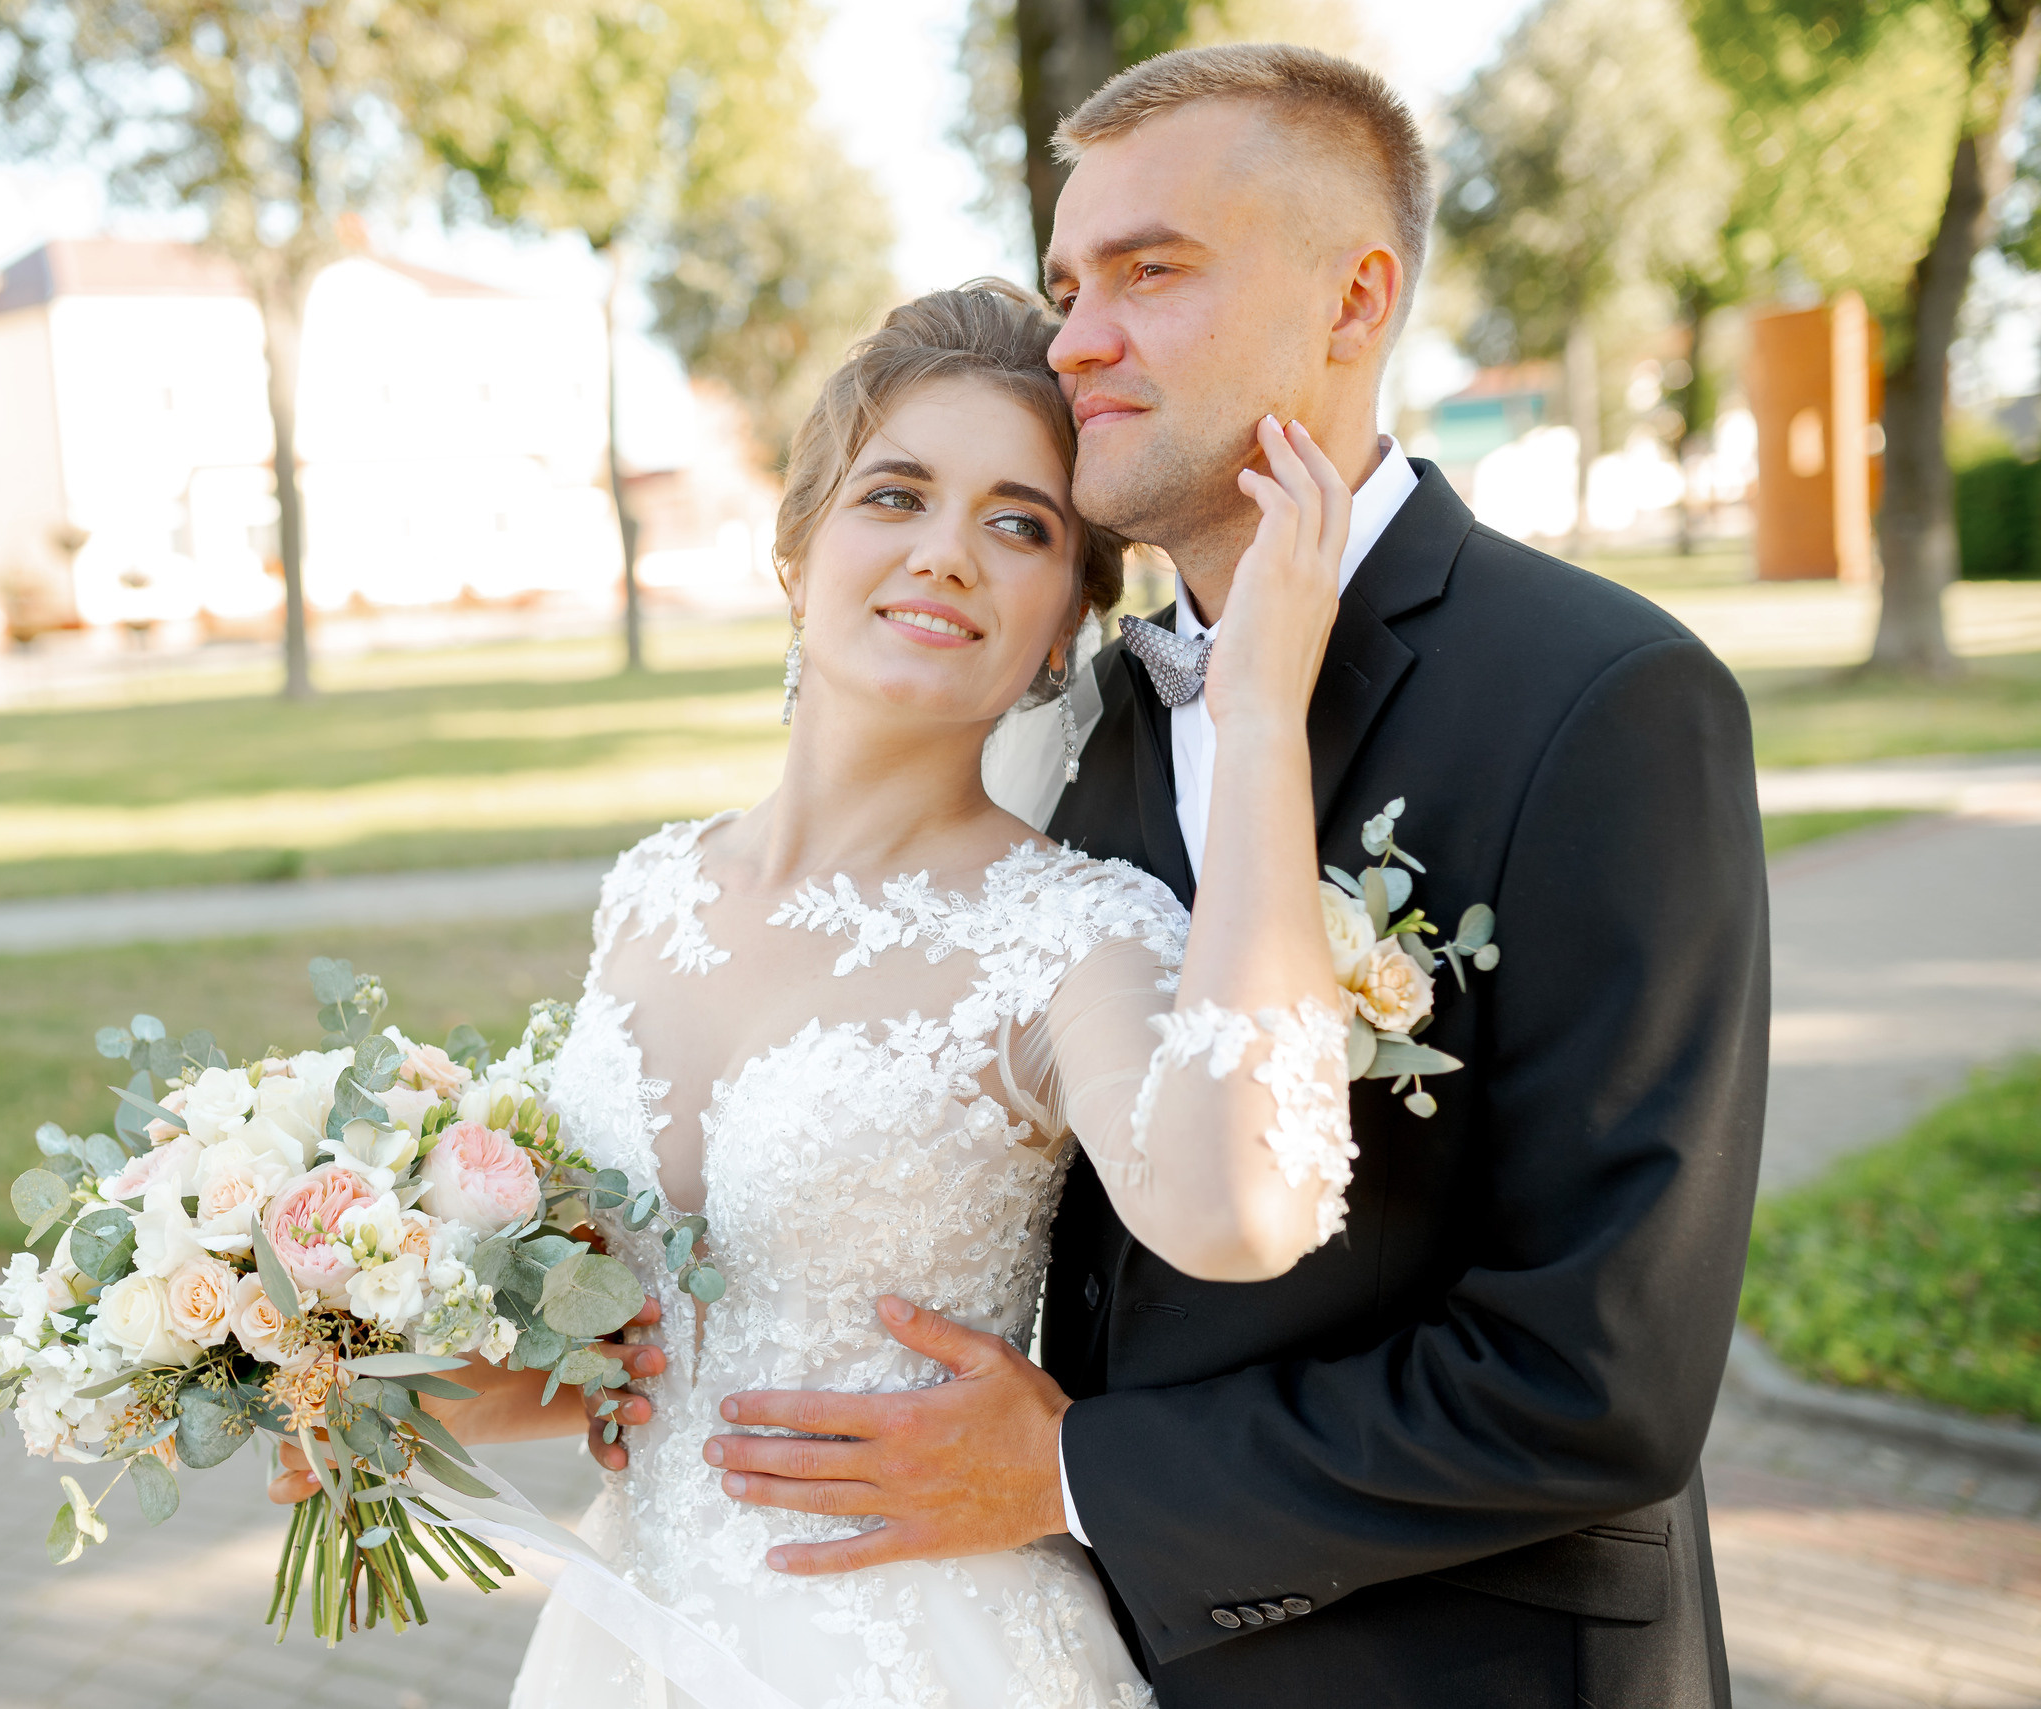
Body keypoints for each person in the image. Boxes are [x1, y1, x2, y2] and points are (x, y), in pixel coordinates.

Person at [700, 44, 1769, 1709]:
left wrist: (1075, 1481)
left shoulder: (1604, 701)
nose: (1078, 341)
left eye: (1153, 271)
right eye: (1067, 283)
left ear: (1357, 300)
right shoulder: (1083, 719)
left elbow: (1601, 1378)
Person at [276, 277, 1370, 1704]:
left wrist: (1260, 717)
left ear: (1063, 628)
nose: (949, 555)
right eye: (896, 495)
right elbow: (620, 1356)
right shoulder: (651, 892)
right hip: (637, 1641)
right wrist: (332, 1368)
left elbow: (1237, 1211)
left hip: (924, 1653)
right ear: (799, 551)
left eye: (1020, 524)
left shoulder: (1075, 930)